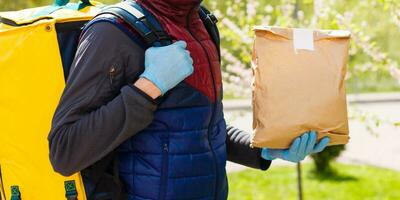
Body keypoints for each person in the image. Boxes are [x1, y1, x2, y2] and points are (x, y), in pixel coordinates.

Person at [48, 0, 330, 199]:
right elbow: (64, 151)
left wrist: (262, 150)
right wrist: (148, 87)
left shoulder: (203, 25)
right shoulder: (113, 32)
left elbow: (202, 125)